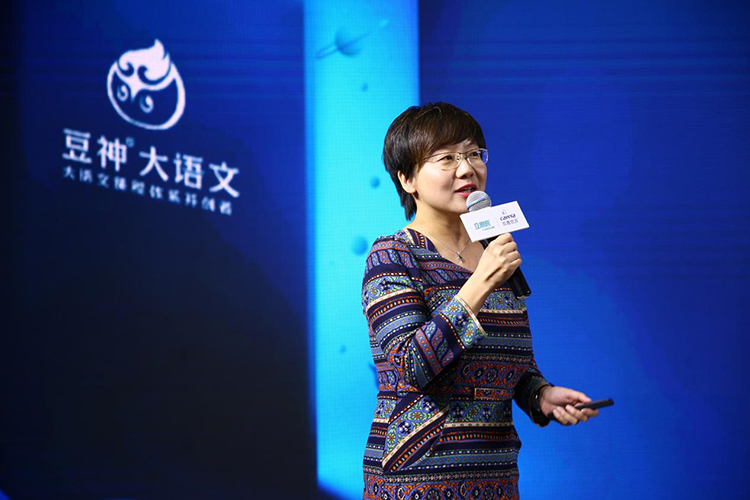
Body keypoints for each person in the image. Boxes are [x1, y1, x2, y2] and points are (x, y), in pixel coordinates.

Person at [361, 102, 599, 499]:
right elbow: (413, 366)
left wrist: (540, 394)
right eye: (447, 158)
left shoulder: (491, 250)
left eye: (474, 154)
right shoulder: (393, 256)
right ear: (407, 178)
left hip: (495, 476)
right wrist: (483, 280)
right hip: (419, 480)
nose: (467, 169)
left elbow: (508, 361)